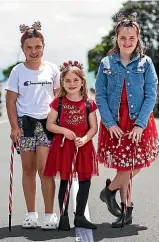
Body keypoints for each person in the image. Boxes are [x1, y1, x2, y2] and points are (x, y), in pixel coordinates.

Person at [95, 12, 159, 228]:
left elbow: (151, 94)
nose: (127, 42)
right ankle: (127, 210)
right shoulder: (106, 63)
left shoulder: (145, 62)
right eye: (123, 38)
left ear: (137, 39)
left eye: (132, 38)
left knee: (135, 163)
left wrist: (141, 124)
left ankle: (109, 190)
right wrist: (109, 123)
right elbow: (100, 95)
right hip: (115, 122)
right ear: (116, 38)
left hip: (138, 121)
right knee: (124, 166)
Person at [6, 21, 60, 229]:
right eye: (29, 48)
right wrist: (14, 127)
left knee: (45, 170)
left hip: (47, 124)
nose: (33, 51)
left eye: (37, 47)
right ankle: (31, 214)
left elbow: (58, 98)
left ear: (43, 47)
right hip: (25, 124)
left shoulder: (53, 70)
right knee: (28, 169)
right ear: (22, 50)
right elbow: (11, 101)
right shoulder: (17, 71)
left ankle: (49, 214)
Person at [44, 61, 98, 231]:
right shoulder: (58, 102)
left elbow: (94, 127)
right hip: (64, 148)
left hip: (84, 147)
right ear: (62, 83)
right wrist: (64, 130)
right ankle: (64, 217)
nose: (72, 84)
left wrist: (85, 139)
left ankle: (80, 216)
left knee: (85, 181)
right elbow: (50, 124)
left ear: (82, 81)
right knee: (65, 182)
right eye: (67, 80)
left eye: (75, 80)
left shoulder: (89, 103)